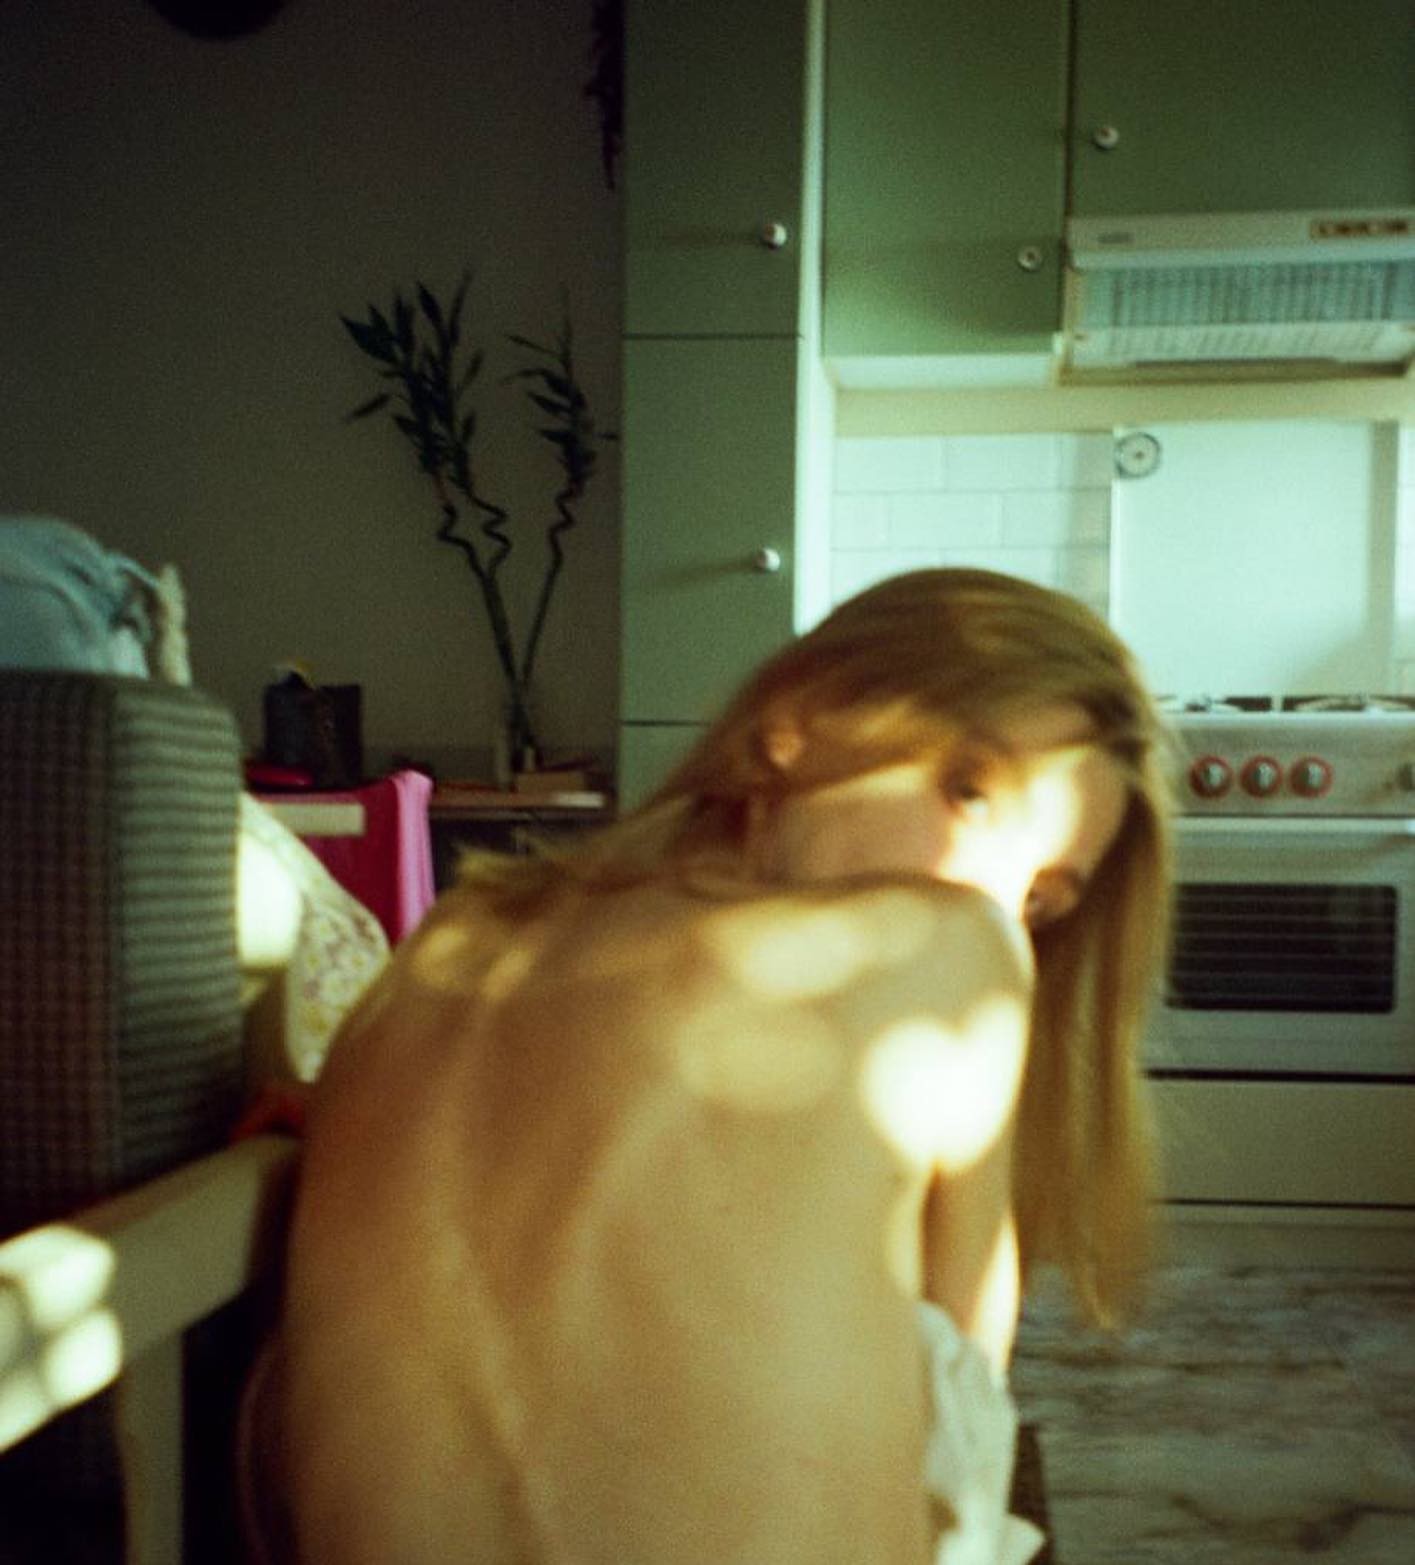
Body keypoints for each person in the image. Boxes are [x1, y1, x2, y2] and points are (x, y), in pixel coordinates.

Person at [246, 568, 1172, 1565]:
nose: (989, 895)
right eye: (970, 790)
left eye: (1039, 899)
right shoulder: (947, 944)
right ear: (797, 721)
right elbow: (959, 1436)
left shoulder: (442, 947)